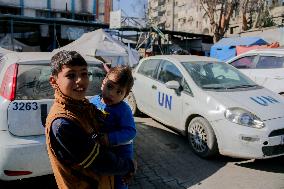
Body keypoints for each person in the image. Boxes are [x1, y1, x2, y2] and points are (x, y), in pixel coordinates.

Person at [45, 50, 136, 189]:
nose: (80, 80)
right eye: (71, 75)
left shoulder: (82, 105)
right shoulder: (63, 123)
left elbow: (129, 132)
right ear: (53, 81)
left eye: (84, 73)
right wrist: (129, 166)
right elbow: (101, 162)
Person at [90, 66, 136, 189]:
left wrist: (109, 138)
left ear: (125, 95)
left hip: (121, 152)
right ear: (103, 83)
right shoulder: (93, 102)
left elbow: (130, 131)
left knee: (120, 182)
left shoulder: (123, 109)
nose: (111, 94)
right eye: (110, 87)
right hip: (103, 149)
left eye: (119, 92)